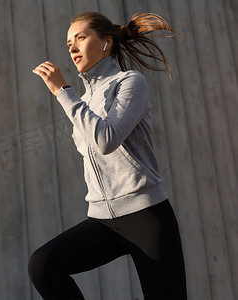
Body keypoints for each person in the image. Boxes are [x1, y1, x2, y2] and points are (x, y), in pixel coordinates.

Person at [29, 12, 187, 300]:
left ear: (106, 42)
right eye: (68, 44)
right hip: (103, 219)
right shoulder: (84, 101)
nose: (72, 47)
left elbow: (107, 140)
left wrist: (63, 91)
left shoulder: (130, 83)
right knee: (44, 264)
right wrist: (71, 96)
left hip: (145, 216)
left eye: (81, 37)